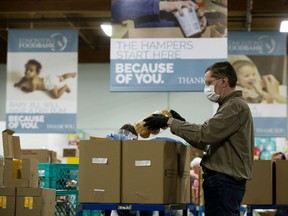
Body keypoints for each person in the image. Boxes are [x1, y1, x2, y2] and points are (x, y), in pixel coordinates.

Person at [143, 61, 255, 216]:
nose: (206, 88)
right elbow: (207, 142)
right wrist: (181, 124)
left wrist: (170, 122)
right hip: (223, 182)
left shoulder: (234, 106)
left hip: (224, 182)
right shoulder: (229, 106)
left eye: (209, 83)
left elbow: (205, 133)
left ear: (223, 81)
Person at [112, 0, 207, 34]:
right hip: (152, 51)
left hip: (182, 50)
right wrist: (164, 5)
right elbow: (117, 10)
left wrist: (197, 16)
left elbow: (190, 9)